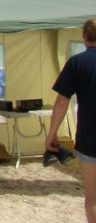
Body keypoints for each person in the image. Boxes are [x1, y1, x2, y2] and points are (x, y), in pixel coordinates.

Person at [45, 18, 96, 223]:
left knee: (93, 196)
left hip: (89, 136)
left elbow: (61, 102)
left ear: (84, 37)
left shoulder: (76, 62)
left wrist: (52, 134)